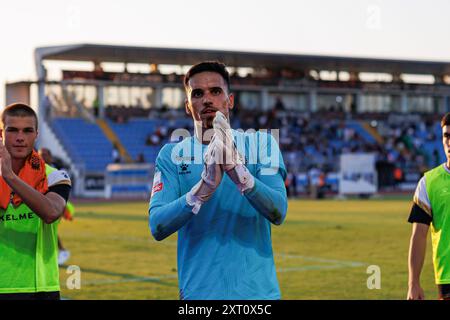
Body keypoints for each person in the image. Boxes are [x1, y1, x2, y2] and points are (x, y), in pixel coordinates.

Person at [148, 61, 288, 300]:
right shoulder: (171, 155)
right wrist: (203, 189)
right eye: (198, 93)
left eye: (216, 91)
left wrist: (239, 174)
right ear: (188, 105)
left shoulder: (262, 144)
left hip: (258, 295)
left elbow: (278, 210)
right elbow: (157, 226)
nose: (207, 99)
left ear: (230, 100)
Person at [0, 103, 71, 300]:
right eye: (12, 130)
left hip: (41, 288)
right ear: (1, 133)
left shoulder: (55, 177)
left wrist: (9, 177)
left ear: (36, 135)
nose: (20, 137)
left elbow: (51, 212)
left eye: (27, 131)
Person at [407, 113, 450, 300]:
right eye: (447, 136)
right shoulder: (428, 182)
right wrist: (413, 283)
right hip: (447, 277)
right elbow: (418, 235)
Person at [39, 147, 75, 266]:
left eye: (44, 154)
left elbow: (63, 191)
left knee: (49, 228)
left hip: (57, 205)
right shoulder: (35, 170)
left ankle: (62, 251)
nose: (42, 156)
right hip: (43, 204)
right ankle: (57, 252)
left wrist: (65, 209)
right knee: (47, 229)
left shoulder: (57, 171)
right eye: (40, 154)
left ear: (50, 156)